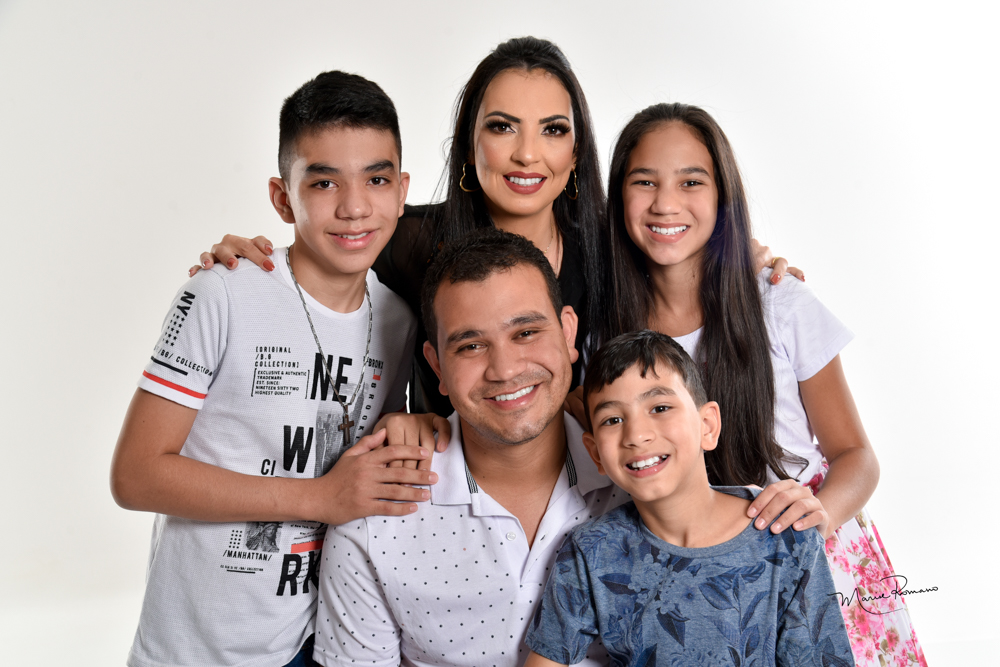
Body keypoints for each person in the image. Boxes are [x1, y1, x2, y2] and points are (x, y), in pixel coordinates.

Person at [191, 37, 797, 417]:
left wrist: (744, 256)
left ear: (577, 151)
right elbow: (331, 236)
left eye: (552, 130)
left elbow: (683, 249)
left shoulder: (612, 246)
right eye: (503, 127)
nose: (527, 154)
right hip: (445, 504)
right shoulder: (411, 240)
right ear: (469, 143)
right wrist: (248, 257)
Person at [310, 229, 818, 667]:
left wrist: (792, 510)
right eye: (471, 346)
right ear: (436, 365)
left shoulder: (645, 471)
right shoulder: (371, 523)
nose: (505, 369)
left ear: (569, 333)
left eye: (526, 332)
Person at [109, 71, 439, 667]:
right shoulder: (224, 292)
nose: (354, 206)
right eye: (324, 182)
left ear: (402, 191)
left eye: (377, 179)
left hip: (316, 640)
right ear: (283, 197)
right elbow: (134, 475)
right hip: (195, 650)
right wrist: (320, 497)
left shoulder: (399, 320)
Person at [594, 102, 925, 666]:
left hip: (812, 561)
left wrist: (818, 517)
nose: (666, 203)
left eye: (691, 182)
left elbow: (857, 456)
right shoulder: (607, 335)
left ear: (723, 196)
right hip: (697, 583)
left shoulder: (779, 303)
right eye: (644, 181)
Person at [522, 330, 854, 667]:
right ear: (596, 454)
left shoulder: (786, 539)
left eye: (660, 407)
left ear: (707, 425)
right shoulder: (591, 550)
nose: (636, 435)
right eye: (613, 420)